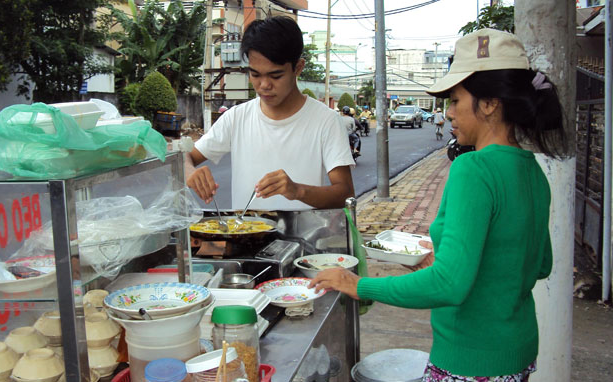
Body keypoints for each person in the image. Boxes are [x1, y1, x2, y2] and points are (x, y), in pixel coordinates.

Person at [309, 28, 567, 381]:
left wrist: (356, 284)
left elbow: (449, 285)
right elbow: (539, 264)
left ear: (490, 103)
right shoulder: (533, 171)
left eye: (456, 101)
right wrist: (450, 259)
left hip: (470, 359)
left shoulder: (473, 168)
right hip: (517, 352)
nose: (448, 114)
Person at [185, 16, 355, 210]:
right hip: (245, 235)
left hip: (302, 237)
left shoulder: (326, 121)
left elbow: (345, 193)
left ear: (298, 68)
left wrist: (297, 190)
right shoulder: (236, 118)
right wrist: (190, 172)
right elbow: (185, 156)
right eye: (255, 74)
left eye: (276, 75)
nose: (264, 85)